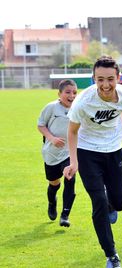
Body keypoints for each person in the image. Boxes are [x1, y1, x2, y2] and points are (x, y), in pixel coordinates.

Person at [63, 56, 122, 268]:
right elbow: (72, 131)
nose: (105, 85)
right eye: (100, 79)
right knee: (98, 202)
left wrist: (120, 128)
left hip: (114, 151)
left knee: (120, 203)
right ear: (94, 79)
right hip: (88, 153)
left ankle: (110, 204)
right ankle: (112, 255)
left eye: (110, 79)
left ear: (118, 78)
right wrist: (74, 162)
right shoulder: (83, 102)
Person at [37, 79, 77, 227]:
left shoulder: (78, 108)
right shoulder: (51, 108)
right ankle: (52, 202)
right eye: (67, 92)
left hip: (69, 153)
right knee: (54, 184)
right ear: (59, 94)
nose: (71, 96)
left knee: (70, 179)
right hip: (52, 153)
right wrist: (52, 138)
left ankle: (65, 215)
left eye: (74, 92)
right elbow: (40, 125)